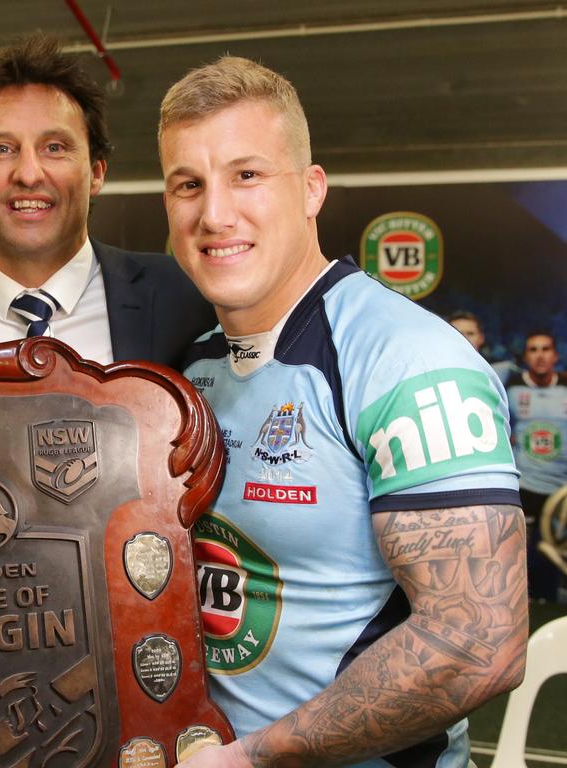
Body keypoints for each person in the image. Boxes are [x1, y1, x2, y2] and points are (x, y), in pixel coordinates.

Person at [159, 56, 527, 767]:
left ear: (310, 189)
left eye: (247, 174)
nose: (215, 213)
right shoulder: (188, 367)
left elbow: (477, 641)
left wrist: (254, 757)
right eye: (188, 185)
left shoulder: (408, 359)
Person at [0, 34, 214, 367]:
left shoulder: (189, 298)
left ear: (96, 172)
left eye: (55, 148)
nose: (29, 174)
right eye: (1, 149)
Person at [505, 330, 567, 602]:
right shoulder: (513, 388)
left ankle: (551, 602)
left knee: (553, 557)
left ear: (555, 355)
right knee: (521, 555)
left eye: (545, 349)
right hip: (525, 484)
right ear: (526, 356)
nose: (540, 355)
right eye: (533, 349)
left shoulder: (566, 388)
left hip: (560, 490)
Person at [447, 310, 517, 384]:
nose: (464, 338)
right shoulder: (435, 368)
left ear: (481, 338)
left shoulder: (499, 373)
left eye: (470, 333)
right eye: (457, 333)